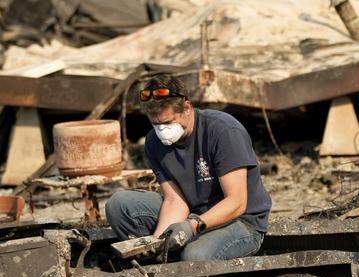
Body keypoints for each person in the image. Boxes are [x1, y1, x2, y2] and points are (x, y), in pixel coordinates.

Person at [106, 76, 272, 261]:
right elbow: (175, 201)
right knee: (119, 204)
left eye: (168, 122)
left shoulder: (223, 130)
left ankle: (183, 261)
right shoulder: (154, 142)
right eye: (156, 124)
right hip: (194, 212)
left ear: (187, 108)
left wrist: (192, 226)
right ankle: (157, 265)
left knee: (195, 256)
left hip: (241, 220)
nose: (163, 130)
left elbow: (237, 202)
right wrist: (158, 242)